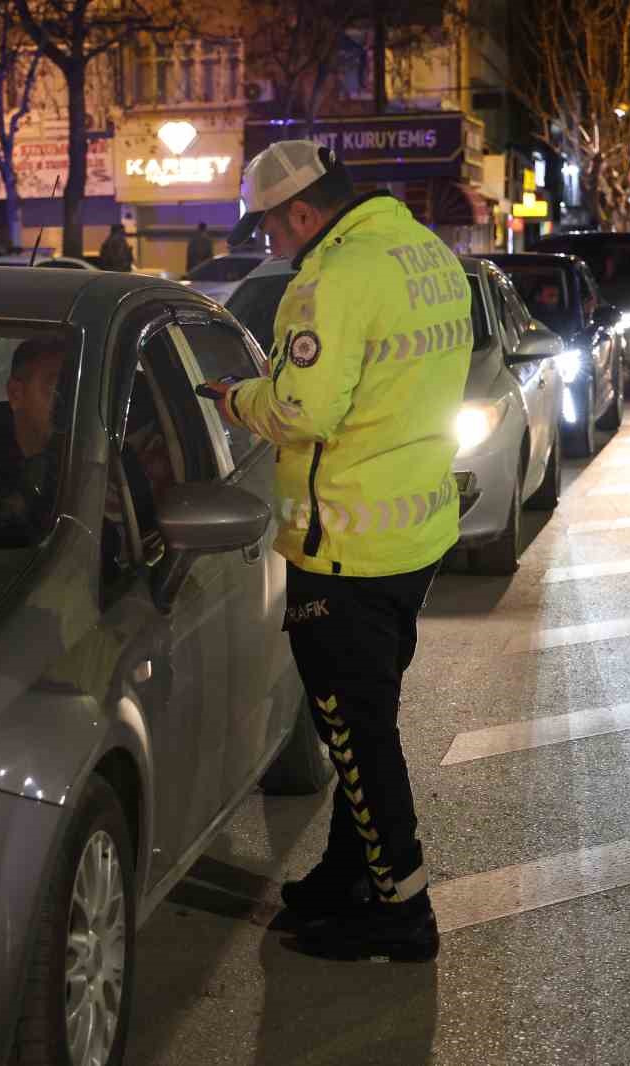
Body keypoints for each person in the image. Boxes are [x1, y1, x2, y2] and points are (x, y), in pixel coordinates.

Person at [199, 140, 472, 962]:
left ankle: (402, 908)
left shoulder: (332, 279)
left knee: (355, 735)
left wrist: (232, 399)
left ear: (304, 213)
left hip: (346, 542)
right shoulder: (425, 252)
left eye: (270, 227)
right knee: (368, 717)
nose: (269, 243)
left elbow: (303, 411)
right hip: (411, 532)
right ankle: (348, 876)